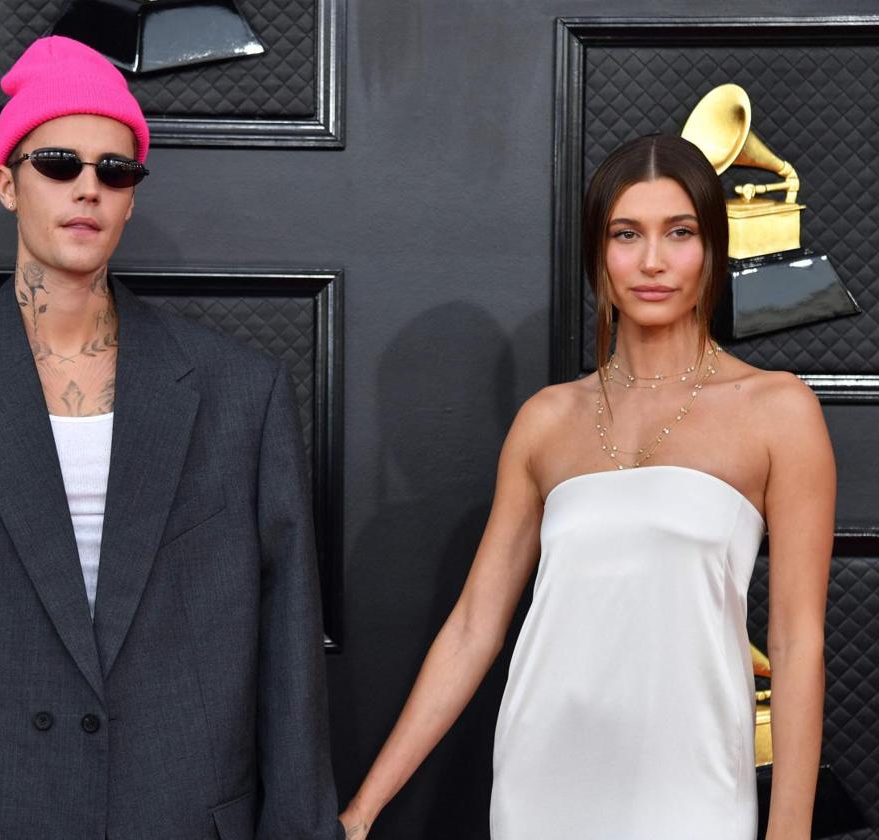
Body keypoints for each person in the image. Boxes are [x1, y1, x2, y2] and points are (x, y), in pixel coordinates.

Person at [0, 36, 342, 840]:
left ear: (131, 197)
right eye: (59, 163)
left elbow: (290, 658)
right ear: (7, 181)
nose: (88, 187)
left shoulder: (239, 393)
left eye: (115, 170)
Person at [338, 134, 833, 840]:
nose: (653, 261)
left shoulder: (779, 411)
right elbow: (475, 626)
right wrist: (361, 813)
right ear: (598, 255)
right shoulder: (546, 420)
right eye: (626, 234)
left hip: (693, 785)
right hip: (543, 778)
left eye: (680, 232)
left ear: (714, 251)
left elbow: (795, 642)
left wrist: (790, 831)